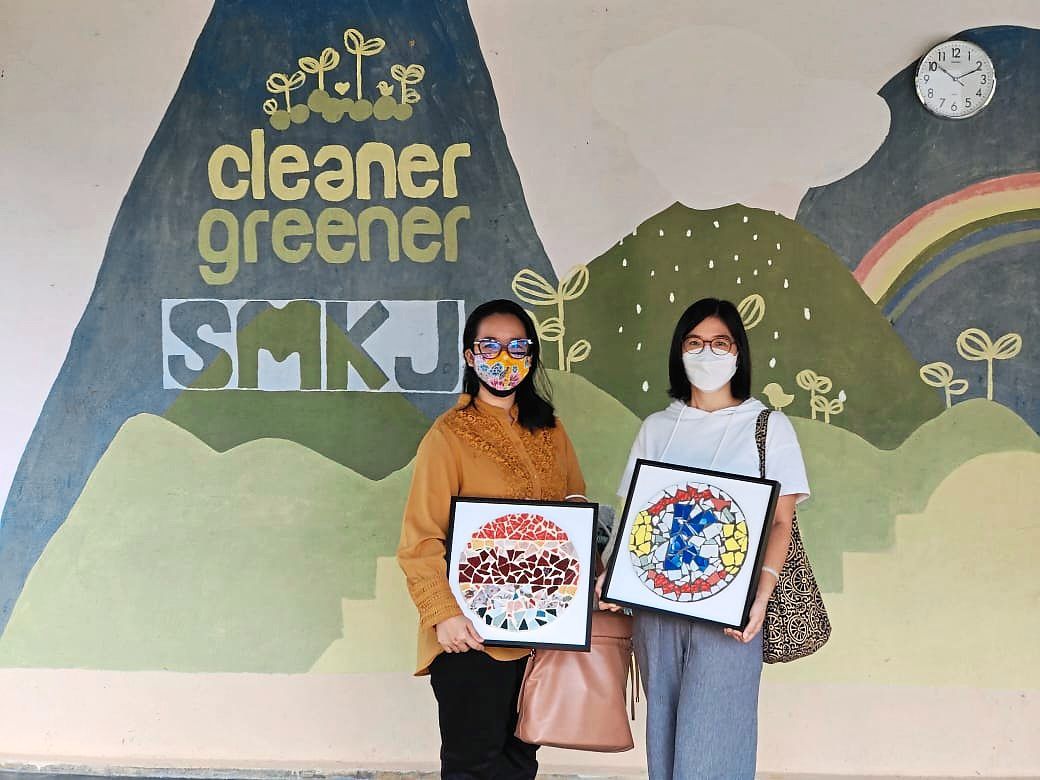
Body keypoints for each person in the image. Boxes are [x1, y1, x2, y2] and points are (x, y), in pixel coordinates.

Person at [598, 297, 810, 780]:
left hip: (729, 613)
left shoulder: (768, 428)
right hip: (655, 611)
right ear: (679, 352)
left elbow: (781, 522)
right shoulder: (657, 428)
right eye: (695, 343)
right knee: (666, 745)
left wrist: (761, 595)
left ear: (739, 353)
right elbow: (638, 515)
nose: (707, 352)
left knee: (714, 745)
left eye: (720, 343)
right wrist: (612, 575)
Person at [397, 298, 587, 780]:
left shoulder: (551, 430)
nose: (503, 357)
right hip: (471, 638)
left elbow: (576, 510)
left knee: (521, 762)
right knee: (472, 764)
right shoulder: (449, 436)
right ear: (469, 356)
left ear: (531, 355)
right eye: (490, 345)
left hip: (540, 636)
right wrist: (444, 616)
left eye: (516, 345)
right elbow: (421, 538)